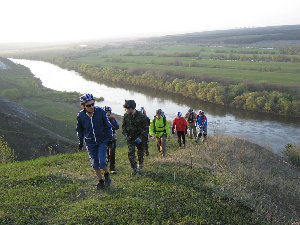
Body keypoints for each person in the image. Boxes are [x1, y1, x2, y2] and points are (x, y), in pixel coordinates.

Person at [76, 93, 113, 189]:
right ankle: (100, 181)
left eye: (93, 104)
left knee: (102, 162)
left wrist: (110, 138)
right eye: (89, 105)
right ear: (83, 106)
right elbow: (79, 130)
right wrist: (80, 142)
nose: (92, 107)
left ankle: (106, 174)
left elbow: (108, 126)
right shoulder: (81, 116)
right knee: (95, 164)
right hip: (90, 143)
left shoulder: (100, 112)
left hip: (101, 141)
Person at [122, 100, 148, 175]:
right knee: (131, 153)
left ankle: (141, 164)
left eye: (126, 108)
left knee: (140, 152)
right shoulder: (126, 116)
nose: (125, 110)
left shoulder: (141, 116)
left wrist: (140, 137)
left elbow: (145, 129)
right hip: (130, 137)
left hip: (140, 138)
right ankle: (134, 168)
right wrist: (125, 134)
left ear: (131, 108)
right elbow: (124, 127)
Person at [104, 106, 119, 174]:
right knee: (106, 153)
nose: (107, 113)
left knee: (112, 153)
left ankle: (112, 168)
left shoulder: (112, 118)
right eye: (106, 112)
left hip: (112, 138)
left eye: (108, 112)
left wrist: (111, 121)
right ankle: (105, 165)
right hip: (104, 139)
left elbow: (117, 127)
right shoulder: (101, 120)